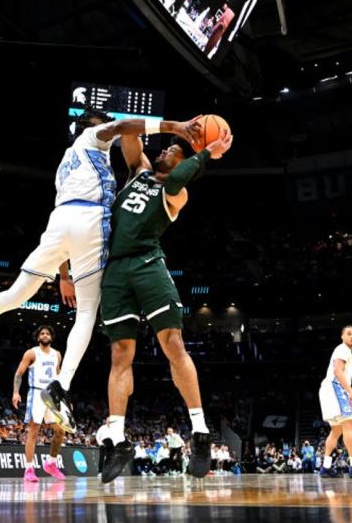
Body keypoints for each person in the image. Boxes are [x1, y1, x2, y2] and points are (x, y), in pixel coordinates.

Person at [0, 110, 202, 434]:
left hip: (60, 223)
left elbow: (130, 140)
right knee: (86, 312)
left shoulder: (70, 158)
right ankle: (60, 387)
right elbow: (125, 130)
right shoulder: (96, 138)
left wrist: (64, 273)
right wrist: (175, 126)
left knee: (17, 294)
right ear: (96, 127)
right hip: (91, 225)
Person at [98, 125, 233, 483]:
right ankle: (116, 436)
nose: (164, 152)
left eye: (173, 151)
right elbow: (127, 133)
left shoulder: (178, 193)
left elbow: (174, 183)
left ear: (185, 162)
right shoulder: (139, 170)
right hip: (115, 269)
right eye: (166, 149)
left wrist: (206, 153)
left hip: (148, 263)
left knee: (172, 343)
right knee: (119, 353)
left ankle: (200, 431)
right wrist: (168, 125)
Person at [12, 326, 66, 482]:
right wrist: (16, 392)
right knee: (33, 432)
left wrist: (64, 398)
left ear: (51, 337)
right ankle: (29, 469)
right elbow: (19, 373)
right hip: (37, 393)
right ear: (38, 337)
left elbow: (59, 377)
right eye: (42, 333)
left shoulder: (57, 354)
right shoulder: (31, 353)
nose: (45, 335)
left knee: (60, 431)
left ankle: (51, 463)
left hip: (53, 394)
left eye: (48, 333)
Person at [318, 326, 352, 478]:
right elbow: (337, 371)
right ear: (342, 337)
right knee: (348, 427)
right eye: (349, 334)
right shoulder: (343, 349)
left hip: (328, 390)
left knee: (336, 431)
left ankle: (326, 467)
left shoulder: (342, 349)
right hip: (336, 388)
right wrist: (351, 393)